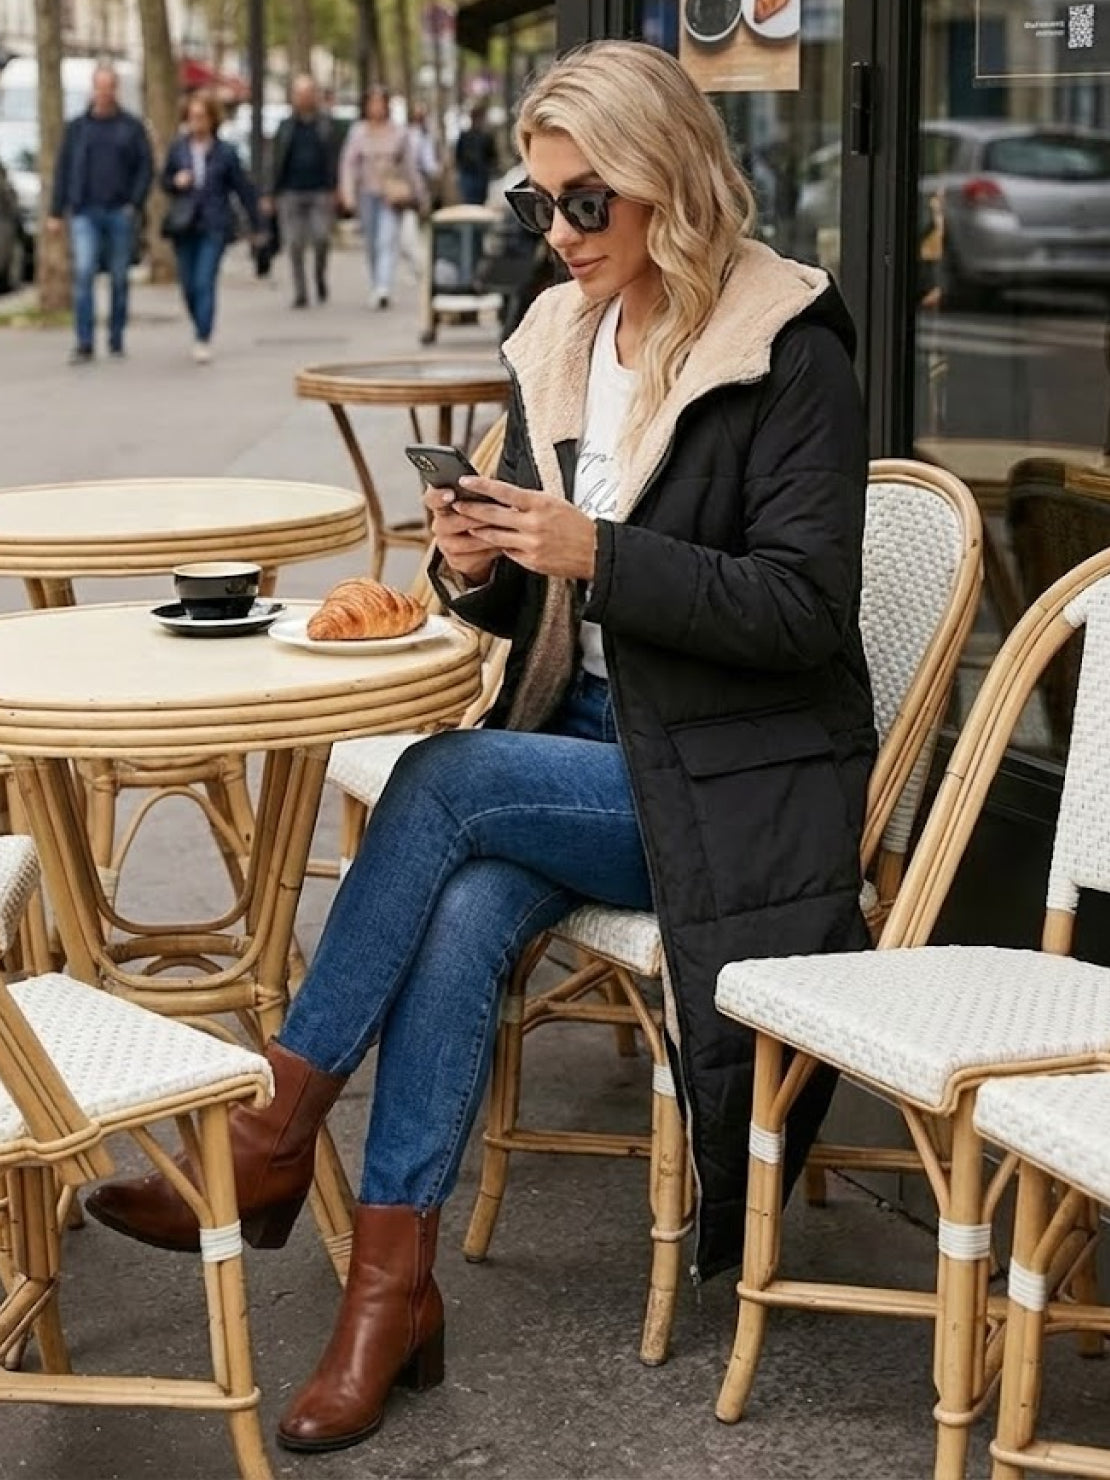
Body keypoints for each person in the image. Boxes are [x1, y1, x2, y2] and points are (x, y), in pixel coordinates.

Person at [84, 41, 875, 1456]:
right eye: (540, 205)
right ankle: (390, 1296)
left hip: (728, 783)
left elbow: (804, 613)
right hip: (579, 749)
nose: (559, 235)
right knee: (454, 908)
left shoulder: (790, 348)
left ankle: (271, 1137)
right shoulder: (566, 332)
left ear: (671, 188)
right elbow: (528, 591)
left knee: (442, 782)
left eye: (589, 205)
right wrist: (476, 560)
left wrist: (599, 550)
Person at [46, 64, 153, 364]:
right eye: (99, 86)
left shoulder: (131, 127)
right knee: (84, 273)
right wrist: (56, 211)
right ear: (92, 89)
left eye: (108, 87)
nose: (103, 93)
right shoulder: (78, 128)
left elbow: (145, 166)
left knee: (119, 278)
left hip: (119, 211)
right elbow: (63, 169)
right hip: (84, 212)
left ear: (115, 89)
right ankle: (84, 341)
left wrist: (135, 202)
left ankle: (116, 338)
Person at [161, 91, 262, 363]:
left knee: (205, 280)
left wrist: (257, 224)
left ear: (211, 119)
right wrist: (176, 181)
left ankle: (203, 336)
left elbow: (243, 188)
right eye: (192, 117)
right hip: (184, 225)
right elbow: (164, 181)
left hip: (214, 224)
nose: (196, 122)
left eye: (202, 117)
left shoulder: (225, 152)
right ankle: (199, 322)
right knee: (189, 285)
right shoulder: (178, 149)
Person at [339, 86, 424, 309]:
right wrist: (347, 194)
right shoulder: (358, 132)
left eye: (380, 102)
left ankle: (383, 287)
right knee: (371, 242)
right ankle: (376, 281)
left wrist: (417, 193)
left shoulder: (399, 132)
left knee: (387, 239)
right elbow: (348, 164)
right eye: (372, 103)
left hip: (391, 196)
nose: (376, 107)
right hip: (367, 193)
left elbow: (410, 166)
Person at [264, 74, 341, 308]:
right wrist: (269, 192)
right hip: (290, 191)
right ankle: (301, 291)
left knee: (321, 238)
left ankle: (319, 276)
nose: (304, 98)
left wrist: (336, 187)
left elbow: (335, 158)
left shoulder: (327, 125)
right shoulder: (285, 127)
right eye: (299, 93)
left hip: (320, 191)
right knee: (294, 243)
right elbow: (274, 161)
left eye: (308, 93)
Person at [454, 100, 498, 206]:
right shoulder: (464, 136)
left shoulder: (486, 137)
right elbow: (458, 155)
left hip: (481, 174)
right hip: (468, 174)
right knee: (469, 202)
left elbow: (492, 156)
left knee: (480, 202)